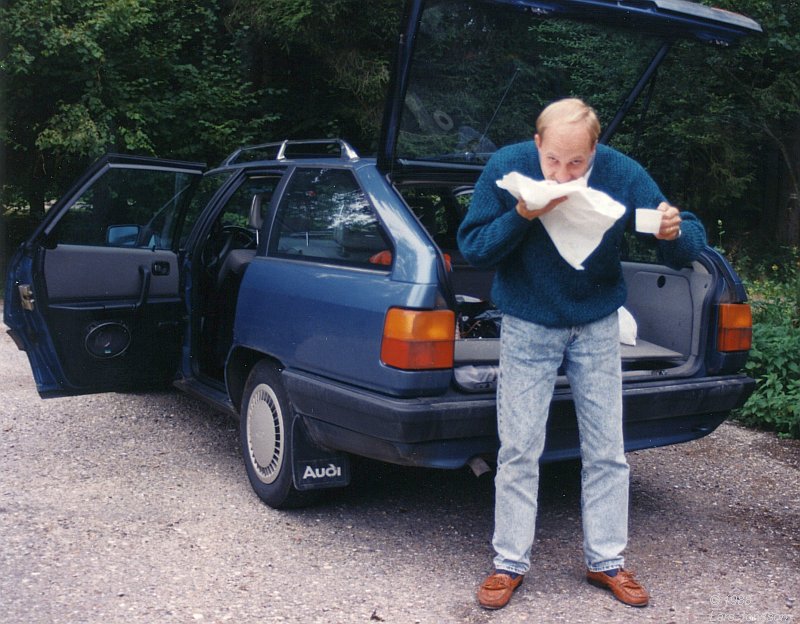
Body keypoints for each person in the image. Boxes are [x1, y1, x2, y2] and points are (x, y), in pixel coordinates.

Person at [457, 98, 707, 610]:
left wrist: (676, 230)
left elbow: (679, 242)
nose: (563, 173)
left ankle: (607, 561)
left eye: (577, 163)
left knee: (606, 449)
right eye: (553, 160)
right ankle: (508, 564)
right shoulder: (507, 166)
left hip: (596, 324)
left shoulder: (620, 172)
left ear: (595, 149)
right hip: (528, 322)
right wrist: (523, 215)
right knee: (520, 447)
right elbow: (475, 249)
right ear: (537, 144)